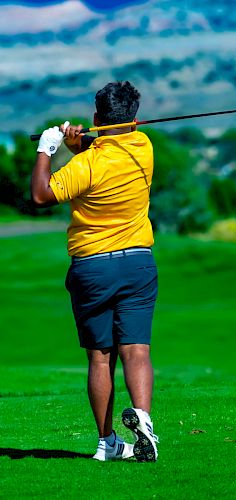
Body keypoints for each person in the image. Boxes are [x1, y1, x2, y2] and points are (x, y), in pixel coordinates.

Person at [31, 81, 159, 462]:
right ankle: (144, 419)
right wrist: (80, 143)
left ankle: (107, 442)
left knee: (101, 357)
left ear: (95, 118)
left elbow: (40, 195)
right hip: (138, 262)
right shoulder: (144, 148)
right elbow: (111, 150)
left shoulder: (85, 165)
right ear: (134, 119)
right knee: (136, 350)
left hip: (92, 267)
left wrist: (46, 150)